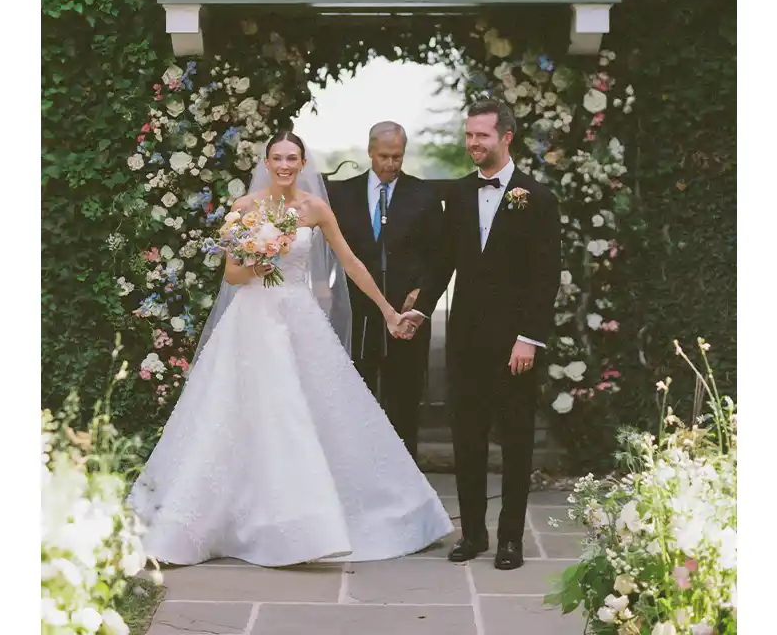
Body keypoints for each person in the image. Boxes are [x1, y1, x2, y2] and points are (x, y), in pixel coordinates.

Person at [128, 131, 453, 567]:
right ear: (267, 162)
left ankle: (316, 523)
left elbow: (351, 263)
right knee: (238, 412)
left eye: (292, 158)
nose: (284, 165)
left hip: (298, 316)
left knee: (310, 411)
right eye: (277, 158)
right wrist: (259, 261)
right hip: (252, 322)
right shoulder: (245, 208)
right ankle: (235, 520)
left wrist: (388, 312)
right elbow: (232, 276)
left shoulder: (315, 209)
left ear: (302, 163)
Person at [397, 98, 561, 571]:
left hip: (514, 345)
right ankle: (472, 534)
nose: (473, 143)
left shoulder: (538, 198)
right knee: (466, 439)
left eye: (482, 135)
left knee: (516, 442)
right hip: (466, 340)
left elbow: (545, 276)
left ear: (506, 137)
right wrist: (420, 310)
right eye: (469, 134)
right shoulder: (459, 194)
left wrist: (529, 337)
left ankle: (510, 539)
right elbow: (443, 261)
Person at [326, 121, 443, 460]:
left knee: (404, 400)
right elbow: (327, 250)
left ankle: (404, 473)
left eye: (397, 157)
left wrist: (421, 293)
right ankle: (356, 467)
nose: (391, 164)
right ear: (369, 152)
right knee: (354, 396)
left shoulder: (423, 195)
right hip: (355, 311)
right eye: (384, 156)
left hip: (405, 314)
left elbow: (440, 253)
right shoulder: (342, 194)